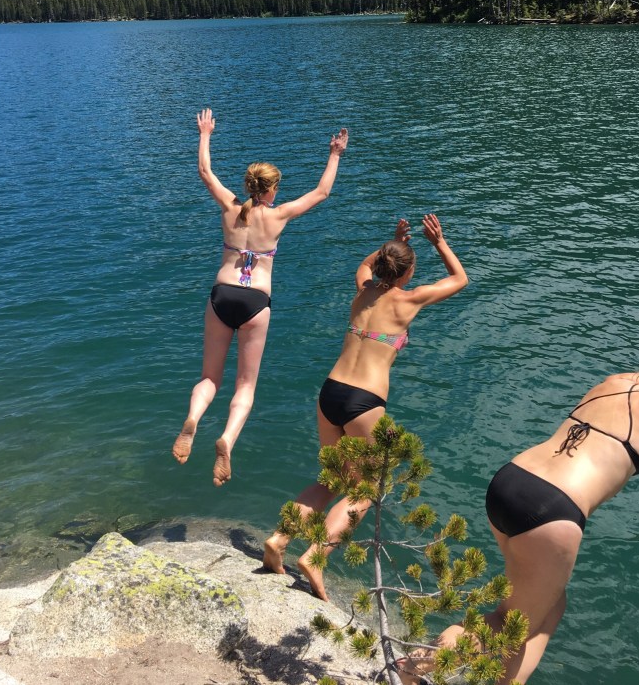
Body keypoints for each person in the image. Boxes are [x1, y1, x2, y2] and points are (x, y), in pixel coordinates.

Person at [398, 359, 639, 685]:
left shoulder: (613, 383)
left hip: (510, 482)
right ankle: (409, 668)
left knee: (550, 607)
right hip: (554, 509)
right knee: (509, 622)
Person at [263, 213, 468, 600]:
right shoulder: (408, 301)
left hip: (330, 393)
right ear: (406, 274)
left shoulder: (362, 291)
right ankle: (315, 557)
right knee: (365, 490)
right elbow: (460, 279)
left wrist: (391, 244)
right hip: (364, 402)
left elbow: (364, 264)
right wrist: (438, 242)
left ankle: (278, 539)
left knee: (330, 479)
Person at [172, 108, 348, 487]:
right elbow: (322, 192)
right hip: (256, 302)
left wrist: (205, 133)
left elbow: (205, 172)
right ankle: (227, 441)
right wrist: (334, 154)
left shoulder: (231, 207)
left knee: (209, 378)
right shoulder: (279, 215)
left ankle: (193, 419)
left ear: (249, 185)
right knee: (245, 386)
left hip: (222, 294)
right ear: (271, 189)